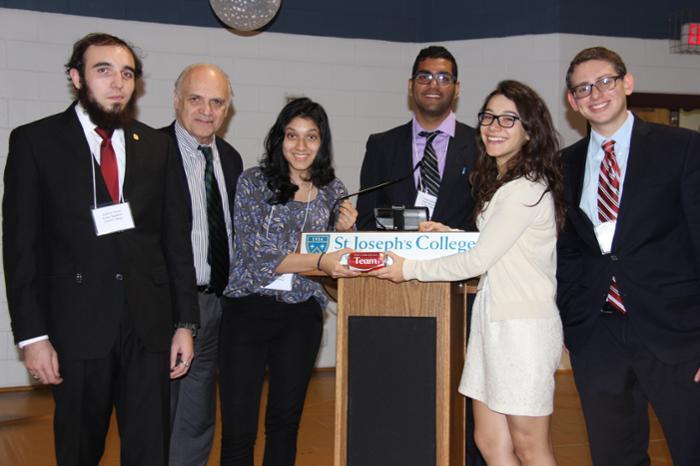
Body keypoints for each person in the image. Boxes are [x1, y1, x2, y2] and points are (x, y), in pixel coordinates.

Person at [2, 33, 199, 466]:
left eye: (127, 73)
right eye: (103, 70)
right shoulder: (35, 143)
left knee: (150, 451)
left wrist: (185, 321)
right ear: (76, 77)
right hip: (77, 326)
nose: (117, 83)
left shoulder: (157, 146)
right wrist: (33, 337)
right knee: (78, 449)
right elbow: (21, 250)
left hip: (147, 327)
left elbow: (174, 241)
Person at [371, 80, 565, 466]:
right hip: (492, 324)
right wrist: (455, 234)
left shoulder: (525, 188)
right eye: (489, 117)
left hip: (523, 330)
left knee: (529, 446)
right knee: (490, 441)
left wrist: (408, 269)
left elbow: (479, 261)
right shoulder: (503, 184)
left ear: (529, 131)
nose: (494, 126)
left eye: (509, 119)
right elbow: (496, 245)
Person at [557, 46, 700, 466]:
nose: (595, 93)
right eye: (583, 88)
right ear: (572, 101)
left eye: (605, 81)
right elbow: (568, 251)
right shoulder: (564, 164)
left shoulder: (683, 149)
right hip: (598, 335)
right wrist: (573, 317)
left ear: (627, 83)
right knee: (614, 456)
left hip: (677, 333)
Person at [218, 97, 359, 466]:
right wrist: (319, 260)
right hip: (246, 311)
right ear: (279, 138)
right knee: (238, 426)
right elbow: (256, 254)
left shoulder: (333, 190)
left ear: (322, 142)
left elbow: (338, 260)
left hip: (301, 317)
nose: (301, 146)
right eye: (292, 136)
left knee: (285, 422)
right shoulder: (252, 181)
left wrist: (348, 230)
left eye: (311, 137)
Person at [161, 63, 244, 466]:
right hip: (164, 306)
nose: (206, 110)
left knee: (198, 414)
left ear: (227, 109)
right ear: (176, 100)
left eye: (217, 102)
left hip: (216, 304)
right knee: (160, 410)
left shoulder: (230, 158)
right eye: (196, 99)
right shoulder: (150, 151)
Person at [356, 45, 477, 231]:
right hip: (398, 258)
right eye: (424, 77)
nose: (433, 85)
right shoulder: (381, 147)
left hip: (460, 258)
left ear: (457, 88)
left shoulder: (480, 145)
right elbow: (367, 221)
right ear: (411, 86)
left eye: (444, 78)